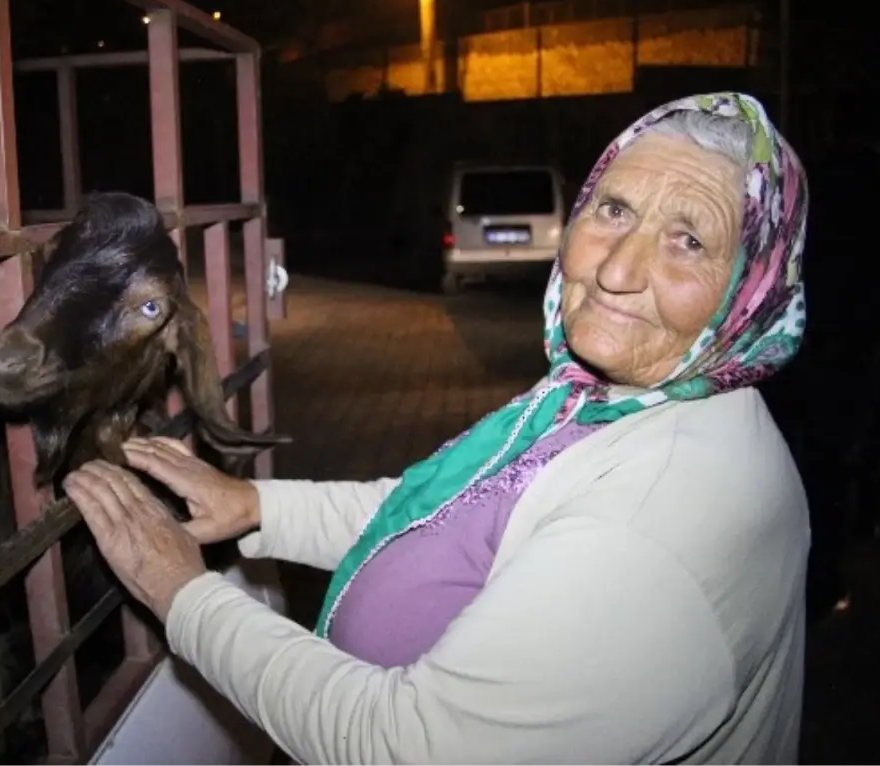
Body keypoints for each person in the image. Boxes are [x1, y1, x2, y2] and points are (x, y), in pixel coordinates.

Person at [63, 92, 811, 765]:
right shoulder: (615, 396)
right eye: (614, 210)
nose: (617, 270)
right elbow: (447, 516)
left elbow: (408, 746)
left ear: (753, 286)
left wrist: (182, 596)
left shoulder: (660, 519)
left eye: (690, 241)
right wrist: (259, 508)